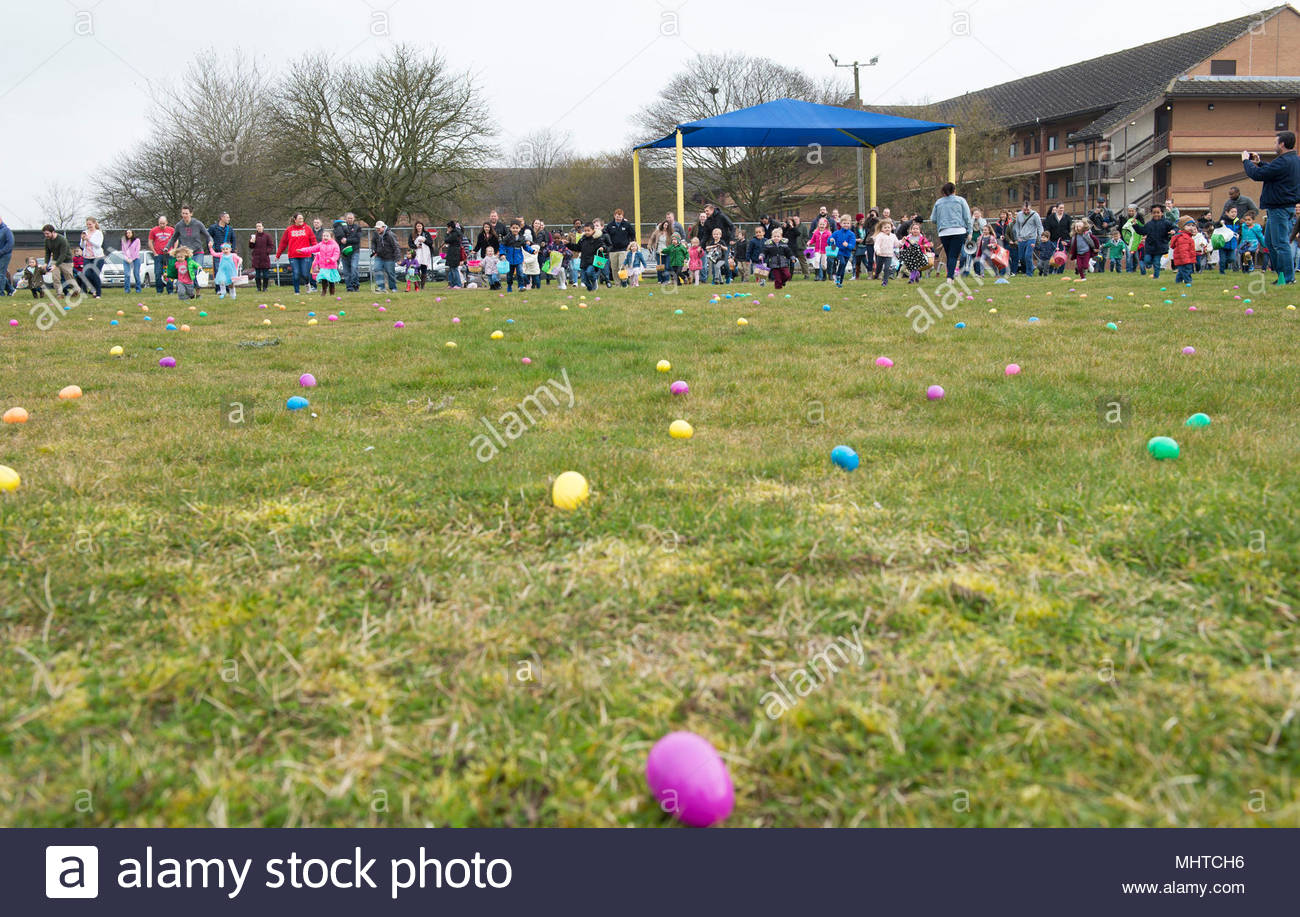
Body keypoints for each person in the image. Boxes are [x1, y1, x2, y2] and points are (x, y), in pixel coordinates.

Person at [1242, 131, 1300, 284]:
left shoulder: (1283, 161)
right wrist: (1259, 162)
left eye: (1275, 142)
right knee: (1270, 242)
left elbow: (1258, 175)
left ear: (1282, 144)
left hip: (1279, 208)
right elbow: (1271, 171)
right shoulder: (1293, 160)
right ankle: (1282, 276)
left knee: (1280, 243)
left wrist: (1246, 161)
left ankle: (1287, 278)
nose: (1274, 145)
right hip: (1283, 208)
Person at [929, 182, 973, 281]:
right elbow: (967, 217)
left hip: (944, 232)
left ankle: (950, 276)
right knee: (953, 255)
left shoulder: (938, 202)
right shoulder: (960, 200)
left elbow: (933, 219)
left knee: (949, 255)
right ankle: (950, 277)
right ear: (954, 190)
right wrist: (970, 231)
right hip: (958, 230)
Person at [169, 206, 212, 292]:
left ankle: (196, 289)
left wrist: (210, 241)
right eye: (183, 213)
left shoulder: (198, 224)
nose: (184, 215)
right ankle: (191, 290)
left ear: (191, 214)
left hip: (197, 252)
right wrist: (167, 247)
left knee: (196, 270)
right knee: (188, 271)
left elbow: (207, 235)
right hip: (186, 253)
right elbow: (173, 238)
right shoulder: (179, 225)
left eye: (186, 213)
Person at [276, 212, 317, 294]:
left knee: (305, 273)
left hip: (306, 255)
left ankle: (307, 284)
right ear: (295, 220)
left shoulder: (307, 228)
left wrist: (316, 251)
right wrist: (278, 254)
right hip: (293, 256)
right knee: (296, 273)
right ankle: (297, 291)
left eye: (302, 218)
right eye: (299, 219)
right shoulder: (289, 230)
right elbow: (283, 243)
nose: (301, 220)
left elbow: (313, 241)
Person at [565, 222, 606, 291]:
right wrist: (568, 244)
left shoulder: (597, 239)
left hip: (593, 261)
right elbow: (577, 248)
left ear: (593, 230)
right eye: (585, 230)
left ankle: (594, 281)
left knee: (589, 272)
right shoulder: (582, 239)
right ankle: (590, 289)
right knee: (583, 279)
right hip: (584, 261)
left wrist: (603, 248)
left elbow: (604, 245)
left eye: (588, 230)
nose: (587, 232)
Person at [1139, 204, 1174, 278]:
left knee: (1157, 262)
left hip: (1160, 247)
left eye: (1158, 212)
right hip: (1150, 247)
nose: (1156, 214)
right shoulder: (1149, 224)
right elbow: (1142, 231)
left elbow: (1174, 227)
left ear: (1161, 213)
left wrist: (1173, 231)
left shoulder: (1166, 222)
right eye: (1154, 213)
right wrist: (1135, 225)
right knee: (1147, 260)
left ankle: (1156, 276)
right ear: (1151, 214)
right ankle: (1149, 265)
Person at [300, 232, 340, 296]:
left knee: (331, 280)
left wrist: (331, 259)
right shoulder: (321, 244)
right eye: (324, 236)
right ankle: (323, 292)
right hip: (323, 266)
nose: (325, 237)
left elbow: (336, 254)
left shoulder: (335, 245)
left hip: (331, 266)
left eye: (327, 236)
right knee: (324, 279)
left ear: (331, 237)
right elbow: (312, 249)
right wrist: (303, 250)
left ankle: (332, 293)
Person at [42, 224, 75, 295]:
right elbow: (48, 253)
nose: (46, 235)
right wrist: (46, 263)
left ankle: (76, 290)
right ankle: (60, 293)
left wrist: (55, 265)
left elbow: (63, 254)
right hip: (55, 259)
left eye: (47, 233)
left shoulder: (62, 240)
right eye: (44, 234)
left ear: (53, 232)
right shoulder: (47, 241)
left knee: (69, 278)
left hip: (66, 260)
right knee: (55, 277)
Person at [1010, 202, 1043, 276]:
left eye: (1028, 210)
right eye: (1024, 210)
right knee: (1021, 257)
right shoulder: (1019, 215)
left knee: (1028, 255)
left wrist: (1041, 237)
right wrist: (1018, 236)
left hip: (1031, 238)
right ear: (1022, 209)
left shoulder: (1035, 215)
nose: (1026, 212)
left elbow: (1039, 226)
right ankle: (1031, 267)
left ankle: (1029, 273)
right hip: (1022, 238)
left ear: (1030, 208)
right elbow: (1017, 226)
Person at [334, 214, 362, 292]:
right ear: (346, 219)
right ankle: (349, 287)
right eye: (348, 218)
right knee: (346, 271)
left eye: (351, 218)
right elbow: (338, 238)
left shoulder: (357, 228)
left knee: (354, 268)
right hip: (344, 251)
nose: (350, 219)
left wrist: (347, 240)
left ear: (354, 219)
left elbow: (357, 239)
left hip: (354, 251)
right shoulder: (341, 227)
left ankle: (355, 285)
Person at [148, 216, 176, 294]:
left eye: (163, 223)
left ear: (166, 222)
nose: (162, 225)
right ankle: (159, 291)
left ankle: (170, 290)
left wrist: (174, 250)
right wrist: (154, 252)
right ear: (158, 223)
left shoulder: (171, 230)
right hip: (158, 255)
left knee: (170, 273)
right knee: (158, 273)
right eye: (160, 223)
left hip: (169, 254)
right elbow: (150, 242)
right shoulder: (153, 230)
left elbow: (176, 240)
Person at [370, 221, 400, 292]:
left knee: (390, 272)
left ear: (383, 227)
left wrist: (398, 258)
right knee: (377, 269)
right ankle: (381, 287)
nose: (377, 229)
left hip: (389, 257)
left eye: (379, 228)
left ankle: (393, 287)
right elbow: (373, 243)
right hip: (379, 256)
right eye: (376, 228)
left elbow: (396, 246)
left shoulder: (390, 235)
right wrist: (374, 250)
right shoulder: (375, 234)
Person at [605, 209, 634, 282]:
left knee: (622, 266)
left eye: (620, 217)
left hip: (623, 250)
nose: (618, 218)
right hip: (613, 250)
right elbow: (606, 235)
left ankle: (624, 282)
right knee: (614, 268)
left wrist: (631, 244)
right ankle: (617, 283)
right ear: (614, 216)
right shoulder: (610, 225)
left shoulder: (627, 225)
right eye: (617, 216)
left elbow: (632, 234)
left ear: (622, 216)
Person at [828, 216, 857, 287]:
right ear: (841, 224)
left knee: (843, 267)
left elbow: (852, 245)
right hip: (838, 252)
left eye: (848, 223)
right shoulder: (836, 233)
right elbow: (829, 241)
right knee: (842, 262)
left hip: (847, 253)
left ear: (850, 224)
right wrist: (830, 240)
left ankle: (839, 283)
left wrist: (847, 245)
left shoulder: (851, 234)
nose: (846, 225)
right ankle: (837, 275)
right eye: (844, 223)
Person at [80, 217, 105, 298]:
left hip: (97, 257)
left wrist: (88, 239)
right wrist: (83, 240)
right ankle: (92, 290)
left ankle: (98, 293)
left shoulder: (98, 233)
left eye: (90, 224)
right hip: (87, 257)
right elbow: (82, 246)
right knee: (86, 274)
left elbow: (98, 245)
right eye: (87, 224)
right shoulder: (85, 232)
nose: (89, 226)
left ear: (94, 223)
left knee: (95, 274)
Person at [1170, 217, 1197, 286]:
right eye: (1188, 225)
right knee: (1186, 271)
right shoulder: (1183, 237)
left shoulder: (1187, 236)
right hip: (1184, 259)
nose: (1191, 227)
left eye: (1192, 225)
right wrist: (1186, 260)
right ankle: (1188, 281)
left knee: (1181, 271)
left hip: (1185, 259)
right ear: (1182, 227)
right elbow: (1183, 250)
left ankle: (1178, 282)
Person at [249, 222, 274, 291]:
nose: (258, 228)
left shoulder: (267, 236)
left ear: (263, 227)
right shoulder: (254, 236)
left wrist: (267, 251)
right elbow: (251, 247)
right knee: (257, 275)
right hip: (256, 258)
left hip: (264, 258)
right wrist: (251, 242)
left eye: (260, 226)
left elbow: (271, 245)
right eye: (257, 226)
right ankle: (258, 288)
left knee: (265, 275)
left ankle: (265, 287)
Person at [874, 219, 899, 285]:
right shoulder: (880, 236)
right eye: (885, 228)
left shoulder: (893, 236)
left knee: (887, 268)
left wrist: (902, 241)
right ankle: (876, 274)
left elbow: (897, 244)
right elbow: (877, 244)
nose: (887, 229)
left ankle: (885, 281)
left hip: (889, 255)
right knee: (879, 268)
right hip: (880, 254)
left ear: (891, 228)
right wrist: (877, 250)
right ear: (882, 229)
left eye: (888, 227)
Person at [442, 221, 464, 288]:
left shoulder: (454, 234)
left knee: (454, 268)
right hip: (452, 252)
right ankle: (452, 284)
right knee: (451, 268)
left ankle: (458, 284)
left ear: (450, 227)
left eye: (447, 228)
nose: (447, 229)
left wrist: (447, 233)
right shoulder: (456, 232)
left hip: (454, 252)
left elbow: (446, 240)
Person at [120, 229, 143, 294]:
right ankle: (127, 289)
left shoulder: (137, 240)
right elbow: (123, 251)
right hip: (126, 259)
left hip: (135, 259)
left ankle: (138, 289)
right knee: (127, 274)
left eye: (129, 233)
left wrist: (132, 259)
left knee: (136, 274)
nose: (128, 234)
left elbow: (137, 250)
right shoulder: (124, 241)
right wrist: (126, 258)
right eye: (127, 233)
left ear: (132, 233)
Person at [809, 217, 831, 281]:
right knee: (816, 260)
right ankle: (817, 276)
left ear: (826, 225)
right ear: (818, 224)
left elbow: (830, 241)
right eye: (820, 224)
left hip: (825, 250)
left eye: (823, 224)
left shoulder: (828, 233)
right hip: (817, 250)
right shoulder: (816, 232)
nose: (822, 226)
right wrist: (809, 242)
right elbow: (813, 240)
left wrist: (831, 241)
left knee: (823, 264)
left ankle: (824, 275)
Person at [0, 214, 12, 296]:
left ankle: (1, 293)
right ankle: (11, 289)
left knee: (1, 274)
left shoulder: (6, 230)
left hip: (5, 255)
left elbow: (10, 243)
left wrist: (1, 252)